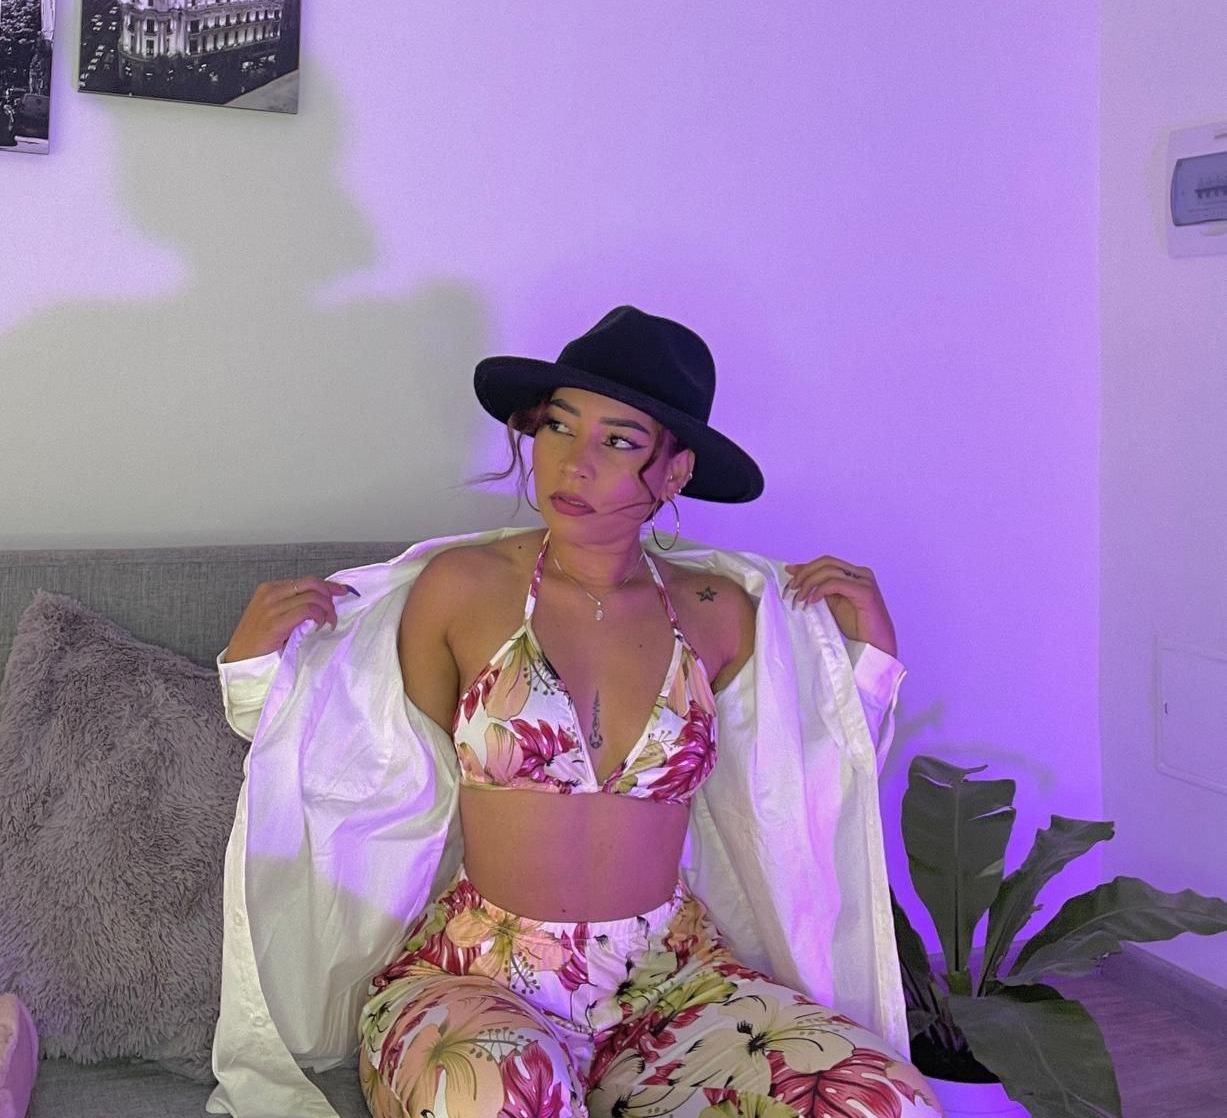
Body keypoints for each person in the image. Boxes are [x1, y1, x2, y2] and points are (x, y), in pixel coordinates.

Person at [209, 306, 943, 1118]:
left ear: (674, 472)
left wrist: (866, 658)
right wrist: (259, 671)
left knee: (883, 1102)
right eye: (559, 426)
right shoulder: (462, 589)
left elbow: (795, 785)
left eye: (618, 441)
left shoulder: (720, 612)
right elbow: (367, 757)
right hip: (476, 980)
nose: (574, 461)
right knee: (491, 1099)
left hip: (672, 982)